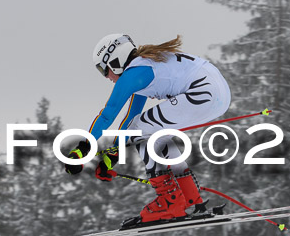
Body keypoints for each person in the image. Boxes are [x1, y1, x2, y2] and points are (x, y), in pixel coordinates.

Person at [65, 34, 231, 224]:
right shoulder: (143, 66)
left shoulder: (133, 74)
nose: (107, 76)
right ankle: (193, 200)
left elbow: (107, 115)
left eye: (104, 69)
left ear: (115, 59)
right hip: (217, 93)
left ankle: (169, 201)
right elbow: (130, 118)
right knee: (153, 133)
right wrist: (112, 156)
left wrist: (83, 150)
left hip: (203, 91)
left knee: (142, 130)